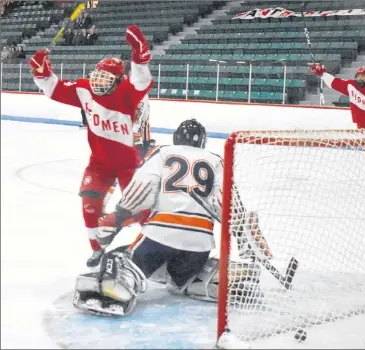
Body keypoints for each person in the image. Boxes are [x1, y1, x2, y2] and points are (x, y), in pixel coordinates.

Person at [72, 119, 226, 316]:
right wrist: (241, 232)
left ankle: (119, 285)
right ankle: (198, 279)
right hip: (199, 244)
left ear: (176, 138)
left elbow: (142, 191)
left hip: (160, 236)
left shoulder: (162, 153)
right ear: (202, 141)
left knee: (122, 259)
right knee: (182, 274)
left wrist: (120, 215)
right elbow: (226, 205)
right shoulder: (217, 160)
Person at [29, 25, 154, 267]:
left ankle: (153, 247)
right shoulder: (85, 89)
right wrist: (42, 74)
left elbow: (141, 80)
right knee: (89, 202)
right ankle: (97, 249)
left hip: (129, 163)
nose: (97, 82)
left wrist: (140, 57)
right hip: (99, 162)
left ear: (119, 80)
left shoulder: (128, 92)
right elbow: (53, 89)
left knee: (142, 210)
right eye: (97, 75)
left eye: (105, 78)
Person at [310, 48, 365, 190]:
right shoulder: (350, 86)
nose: (360, 78)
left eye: (363, 76)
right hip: (362, 127)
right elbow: (334, 82)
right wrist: (322, 74)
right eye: (358, 76)